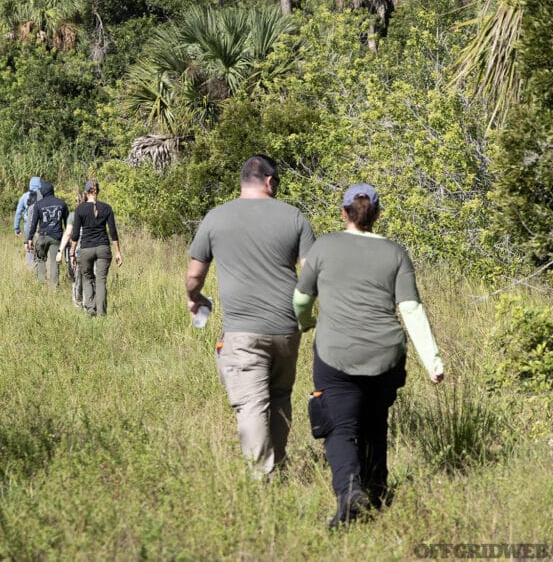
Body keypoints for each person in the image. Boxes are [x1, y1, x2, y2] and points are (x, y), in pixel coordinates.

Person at [293, 183, 444, 529]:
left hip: (336, 352)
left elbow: (301, 299)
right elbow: (411, 309)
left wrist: (307, 323)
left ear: (344, 212)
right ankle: (377, 495)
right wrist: (432, 361)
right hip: (386, 356)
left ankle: (349, 492)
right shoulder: (395, 253)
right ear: (376, 214)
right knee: (375, 423)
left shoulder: (324, 246)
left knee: (340, 427)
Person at [185, 155, 316, 482]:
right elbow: (312, 274)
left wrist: (194, 298)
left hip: (242, 330)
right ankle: (278, 466)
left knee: (251, 405)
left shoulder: (216, 218)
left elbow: (194, 276)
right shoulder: (294, 216)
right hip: (287, 328)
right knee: (280, 396)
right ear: (270, 182)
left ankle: (264, 479)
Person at [69, 180, 122, 316]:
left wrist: (72, 253)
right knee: (101, 280)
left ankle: (91, 308)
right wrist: (117, 252)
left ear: (86, 193)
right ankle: (102, 313)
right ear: (98, 192)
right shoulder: (107, 208)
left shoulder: (80, 209)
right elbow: (113, 232)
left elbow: (75, 235)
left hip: (86, 249)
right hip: (103, 247)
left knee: (87, 277)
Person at [24, 182, 68, 287]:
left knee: (40, 260)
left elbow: (33, 224)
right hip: (56, 237)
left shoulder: (38, 205)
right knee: (54, 262)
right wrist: (68, 238)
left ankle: (41, 284)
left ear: (42, 192)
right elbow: (67, 223)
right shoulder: (62, 203)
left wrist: (29, 239)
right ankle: (54, 287)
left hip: (43, 236)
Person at [57, 190, 88, 308]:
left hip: (76, 251)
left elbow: (67, 234)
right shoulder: (95, 213)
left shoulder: (73, 215)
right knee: (89, 277)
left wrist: (60, 250)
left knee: (76, 278)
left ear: (78, 200)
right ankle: (88, 302)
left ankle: (78, 303)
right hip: (91, 249)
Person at [14, 176, 42, 269]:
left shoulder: (24, 196)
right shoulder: (43, 195)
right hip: (41, 228)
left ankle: (31, 270)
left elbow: (18, 213)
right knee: (41, 251)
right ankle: (41, 272)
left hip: (28, 228)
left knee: (29, 250)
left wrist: (16, 228)